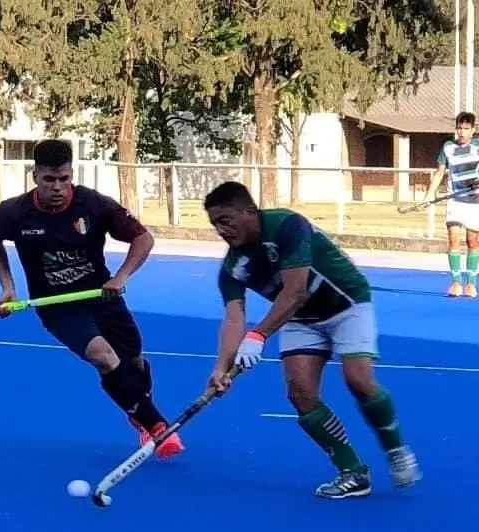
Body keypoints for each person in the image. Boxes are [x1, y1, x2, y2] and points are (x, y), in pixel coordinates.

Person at [203, 180, 421, 499]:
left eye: (225, 221)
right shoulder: (232, 267)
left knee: (358, 380)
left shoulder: (288, 226)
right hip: (301, 317)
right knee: (300, 393)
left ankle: (395, 448)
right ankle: (353, 472)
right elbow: (234, 317)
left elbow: (296, 290)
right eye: (214, 225)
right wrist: (221, 367)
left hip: (346, 304)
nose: (221, 230)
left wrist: (258, 334)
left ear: (250, 211)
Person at [0, 138, 183, 458]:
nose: (58, 187)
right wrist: (7, 286)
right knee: (103, 356)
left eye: (64, 178)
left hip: (102, 296)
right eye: (49, 179)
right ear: (35, 177)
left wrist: (121, 276)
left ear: (71, 174)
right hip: (57, 306)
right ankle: (158, 427)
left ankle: (139, 414)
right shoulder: (14, 213)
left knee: (132, 362)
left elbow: (143, 238)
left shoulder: (94, 205)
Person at [424, 110, 479, 298]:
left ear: (473, 130)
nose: (462, 132)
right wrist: (428, 196)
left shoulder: (478, 146)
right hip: (455, 200)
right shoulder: (447, 147)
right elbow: (439, 173)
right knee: (453, 239)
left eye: (466, 129)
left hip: (474, 202)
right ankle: (456, 282)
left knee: (473, 242)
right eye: (459, 128)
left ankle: (471, 284)